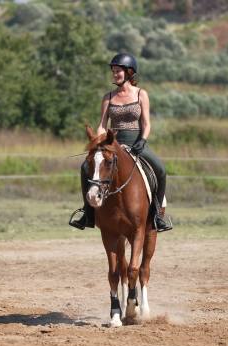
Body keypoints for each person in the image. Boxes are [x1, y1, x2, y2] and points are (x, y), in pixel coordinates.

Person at [70, 53, 172, 232]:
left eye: (118, 71)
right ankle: (87, 213)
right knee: (85, 168)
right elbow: (102, 124)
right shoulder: (108, 97)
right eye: (113, 71)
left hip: (137, 142)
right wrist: (99, 142)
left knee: (161, 170)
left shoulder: (141, 94)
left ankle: (157, 215)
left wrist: (143, 140)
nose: (115, 74)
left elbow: (147, 124)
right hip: (113, 143)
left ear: (129, 72)